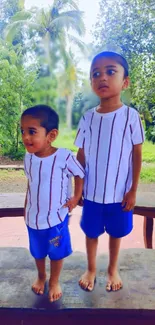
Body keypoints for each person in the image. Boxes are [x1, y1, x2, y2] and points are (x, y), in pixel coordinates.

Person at [74, 51, 145, 292]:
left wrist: (133, 190)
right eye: (96, 73)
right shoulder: (87, 119)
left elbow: (137, 155)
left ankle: (112, 269)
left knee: (116, 233)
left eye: (110, 71)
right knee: (91, 233)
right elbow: (80, 155)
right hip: (92, 194)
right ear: (92, 82)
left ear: (125, 82)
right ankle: (91, 268)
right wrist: (78, 188)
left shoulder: (131, 117)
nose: (102, 77)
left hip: (120, 195)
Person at [21, 105, 84, 302]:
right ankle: (41, 277)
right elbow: (31, 183)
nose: (25, 137)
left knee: (56, 252)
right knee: (38, 251)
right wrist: (26, 207)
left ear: (51, 135)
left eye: (32, 132)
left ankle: (54, 280)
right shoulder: (28, 158)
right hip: (33, 219)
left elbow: (79, 173)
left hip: (56, 219)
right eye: (22, 131)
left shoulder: (63, 156)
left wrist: (75, 197)